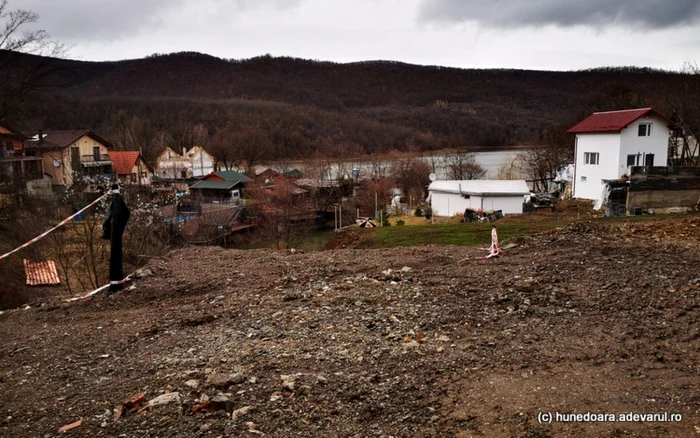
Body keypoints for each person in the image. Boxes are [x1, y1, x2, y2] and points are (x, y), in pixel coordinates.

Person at [102, 184, 131, 293]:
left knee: (115, 254)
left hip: (116, 231)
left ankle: (116, 283)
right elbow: (125, 213)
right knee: (116, 253)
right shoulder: (118, 203)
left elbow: (121, 213)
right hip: (116, 230)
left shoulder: (117, 202)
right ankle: (116, 282)